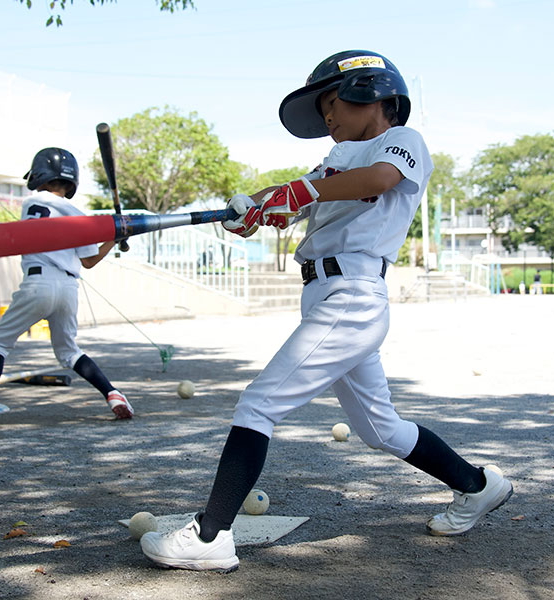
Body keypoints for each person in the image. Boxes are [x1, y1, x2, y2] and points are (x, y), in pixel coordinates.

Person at [140, 50, 513, 572]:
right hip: (324, 292)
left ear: (371, 93)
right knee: (381, 429)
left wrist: (301, 190)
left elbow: (379, 180)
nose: (327, 117)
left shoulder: (398, 141)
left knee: (258, 404)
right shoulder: (334, 162)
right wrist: (257, 207)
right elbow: (302, 197)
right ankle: (478, 485)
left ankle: (211, 536)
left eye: (332, 102)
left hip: (353, 295)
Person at [0, 147, 133, 427]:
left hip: (38, 282)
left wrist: (114, 234)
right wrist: (114, 237)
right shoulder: (79, 215)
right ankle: (113, 394)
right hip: (68, 288)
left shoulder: (32, 202)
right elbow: (89, 261)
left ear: (40, 174)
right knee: (68, 351)